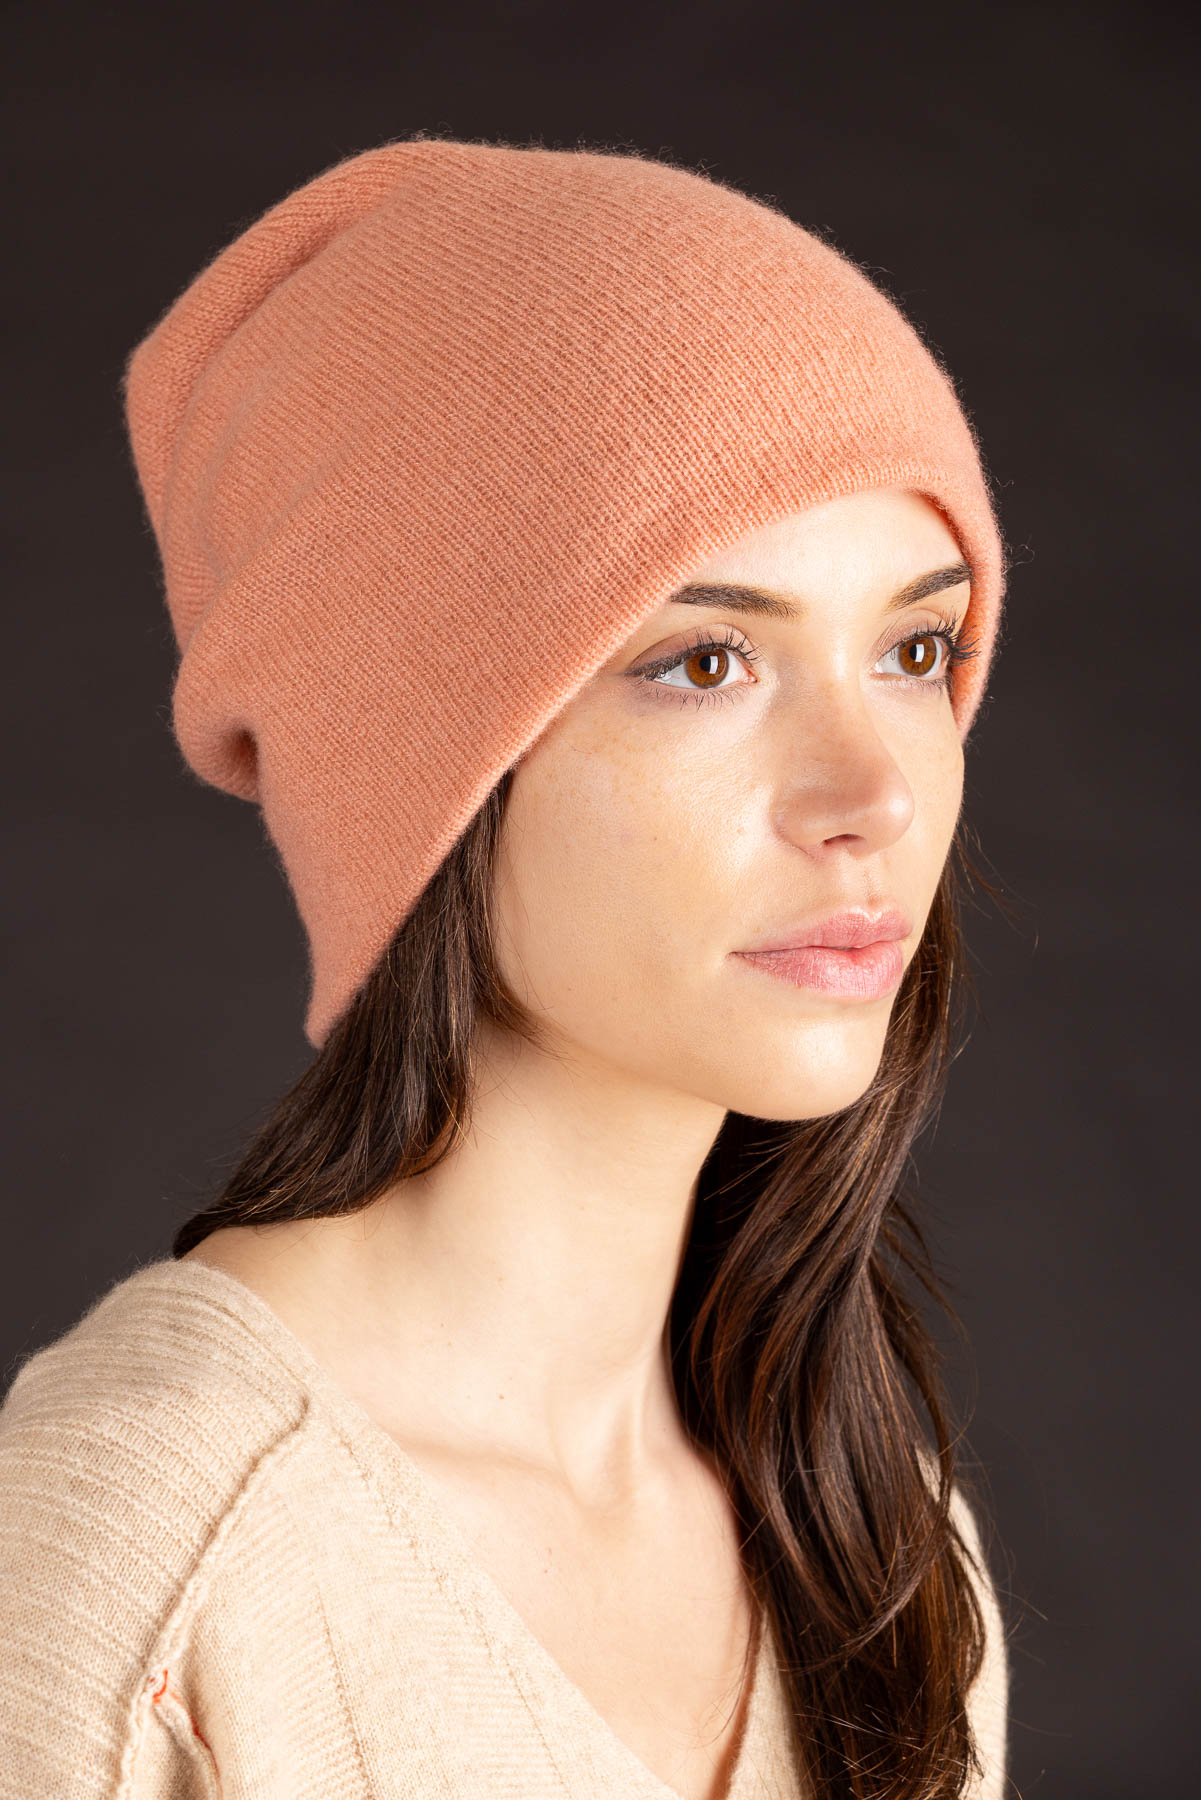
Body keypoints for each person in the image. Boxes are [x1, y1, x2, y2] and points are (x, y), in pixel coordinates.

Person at [0, 135, 1012, 1800]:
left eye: (913, 647)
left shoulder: (883, 1541)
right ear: (416, 765)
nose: (875, 794)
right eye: (704, 661)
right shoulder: (143, 1546)